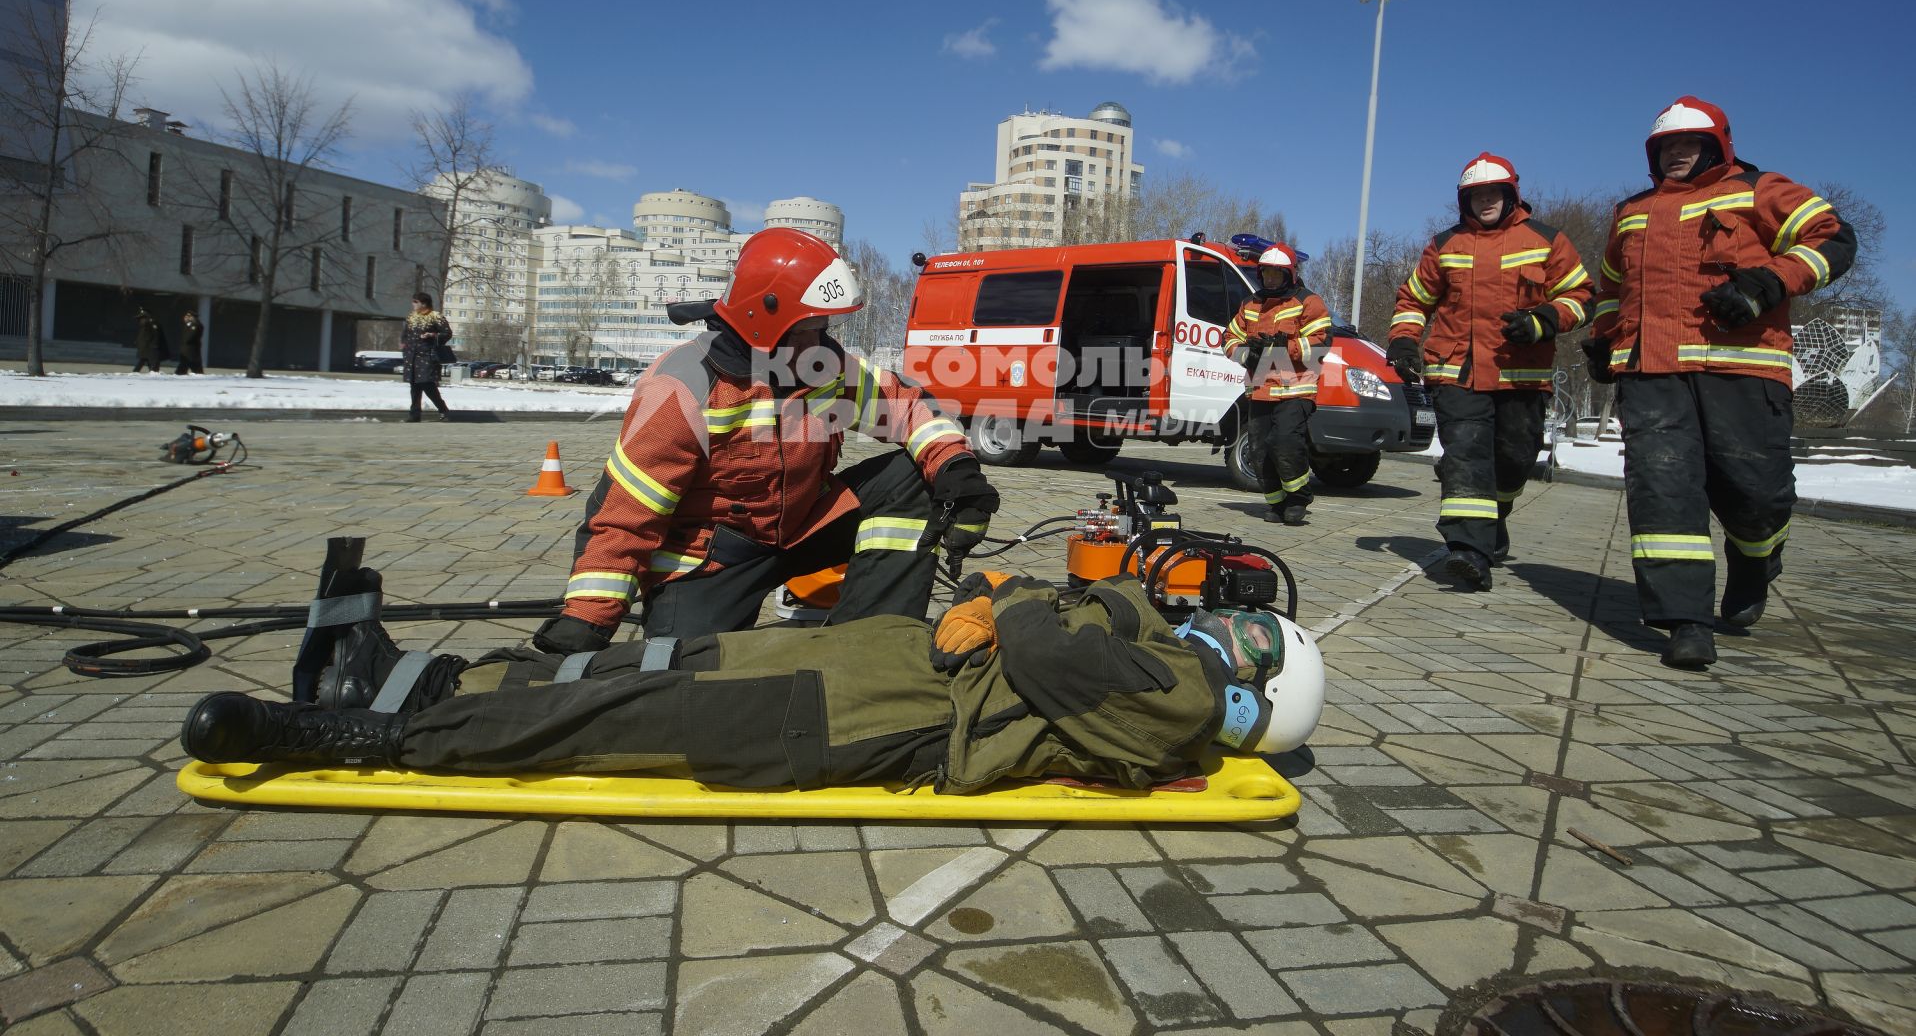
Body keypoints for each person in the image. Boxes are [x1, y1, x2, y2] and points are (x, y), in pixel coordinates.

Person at [178, 572, 1327, 791]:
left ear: (1257, 696)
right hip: (859, 662)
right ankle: (414, 677)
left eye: (1254, 637)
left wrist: (1024, 603)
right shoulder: (1160, 649)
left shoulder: (1181, 702)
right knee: (635, 658)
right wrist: (1021, 594)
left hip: (858, 717)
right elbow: (1028, 596)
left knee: (598, 718)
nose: (1232, 626)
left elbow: (1044, 644)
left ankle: (336, 736)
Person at [532, 227, 1001, 654]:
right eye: (810, 327)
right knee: (688, 671)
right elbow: (626, 513)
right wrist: (588, 618)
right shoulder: (680, 388)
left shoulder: (822, 367)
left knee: (911, 478)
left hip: (804, 526)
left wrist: (956, 469)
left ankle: (871, 649)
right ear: (765, 320)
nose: (822, 340)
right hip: (711, 559)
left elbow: (909, 406)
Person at [1584, 97, 1855, 669]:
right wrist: (1604, 338)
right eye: (1665, 147)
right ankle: (1685, 620)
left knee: (1755, 492)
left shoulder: (1761, 189)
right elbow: (1611, 287)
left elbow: (1833, 239)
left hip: (1743, 368)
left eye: (1688, 144)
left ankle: (1756, 559)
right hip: (1651, 374)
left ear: (1717, 144)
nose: (1676, 154)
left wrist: (1768, 283)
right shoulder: (1630, 211)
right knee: (1663, 494)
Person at [1386, 154, 1594, 590]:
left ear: (1510, 194)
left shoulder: (1546, 240)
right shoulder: (1445, 245)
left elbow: (1581, 296)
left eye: (1492, 193)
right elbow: (1414, 300)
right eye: (1476, 195)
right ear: (1465, 200)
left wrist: (1544, 319)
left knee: (1515, 459)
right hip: (1456, 373)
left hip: (1521, 375)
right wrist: (1404, 339)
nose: (1484, 201)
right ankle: (1468, 550)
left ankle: (1495, 520)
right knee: (1466, 457)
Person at [1223, 244, 1332, 525]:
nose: (1270, 278)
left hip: (1295, 389)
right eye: (1266, 273)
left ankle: (1298, 499)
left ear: (1290, 274)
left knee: (1286, 442)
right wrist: (1247, 353)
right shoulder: (1250, 304)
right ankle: (1276, 501)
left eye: (1276, 273)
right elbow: (1229, 338)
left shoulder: (1308, 302)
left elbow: (1321, 343)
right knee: (1259, 449)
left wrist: (1286, 347)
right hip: (1259, 389)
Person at [400, 293, 454, 423]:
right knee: (414, 386)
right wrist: (403, 344)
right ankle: (414, 414)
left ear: (424, 303)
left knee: (427, 384)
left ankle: (443, 410)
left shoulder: (436, 317)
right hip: (412, 356)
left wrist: (432, 335)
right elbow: (405, 334)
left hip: (427, 356)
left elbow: (447, 333)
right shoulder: (411, 317)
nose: (413, 304)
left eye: (415, 301)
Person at [132, 306, 167, 373]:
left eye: (142, 318)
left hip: (150, 347)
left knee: (144, 360)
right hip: (145, 347)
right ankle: (152, 372)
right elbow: (143, 335)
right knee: (146, 360)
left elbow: (156, 335)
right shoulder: (145, 324)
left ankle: (136, 372)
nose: (140, 320)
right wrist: (137, 341)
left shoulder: (152, 323)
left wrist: (154, 345)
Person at [175, 308, 205, 375]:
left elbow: (190, 337)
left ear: (193, 317)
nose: (187, 318)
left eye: (189, 316)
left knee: (187, 366)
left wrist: (187, 325)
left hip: (191, 350)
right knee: (193, 367)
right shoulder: (190, 325)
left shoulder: (196, 325)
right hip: (188, 350)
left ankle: (179, 374)